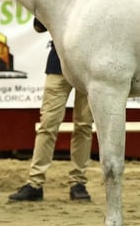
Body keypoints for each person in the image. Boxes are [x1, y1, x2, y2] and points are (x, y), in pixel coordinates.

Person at [8, 18, 93, 202]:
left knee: (81, 126)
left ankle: (69, 182)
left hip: (86, 65)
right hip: (63, 62)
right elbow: (39, 25)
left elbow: (38, 26)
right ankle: (39, 182)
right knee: (51, 124)